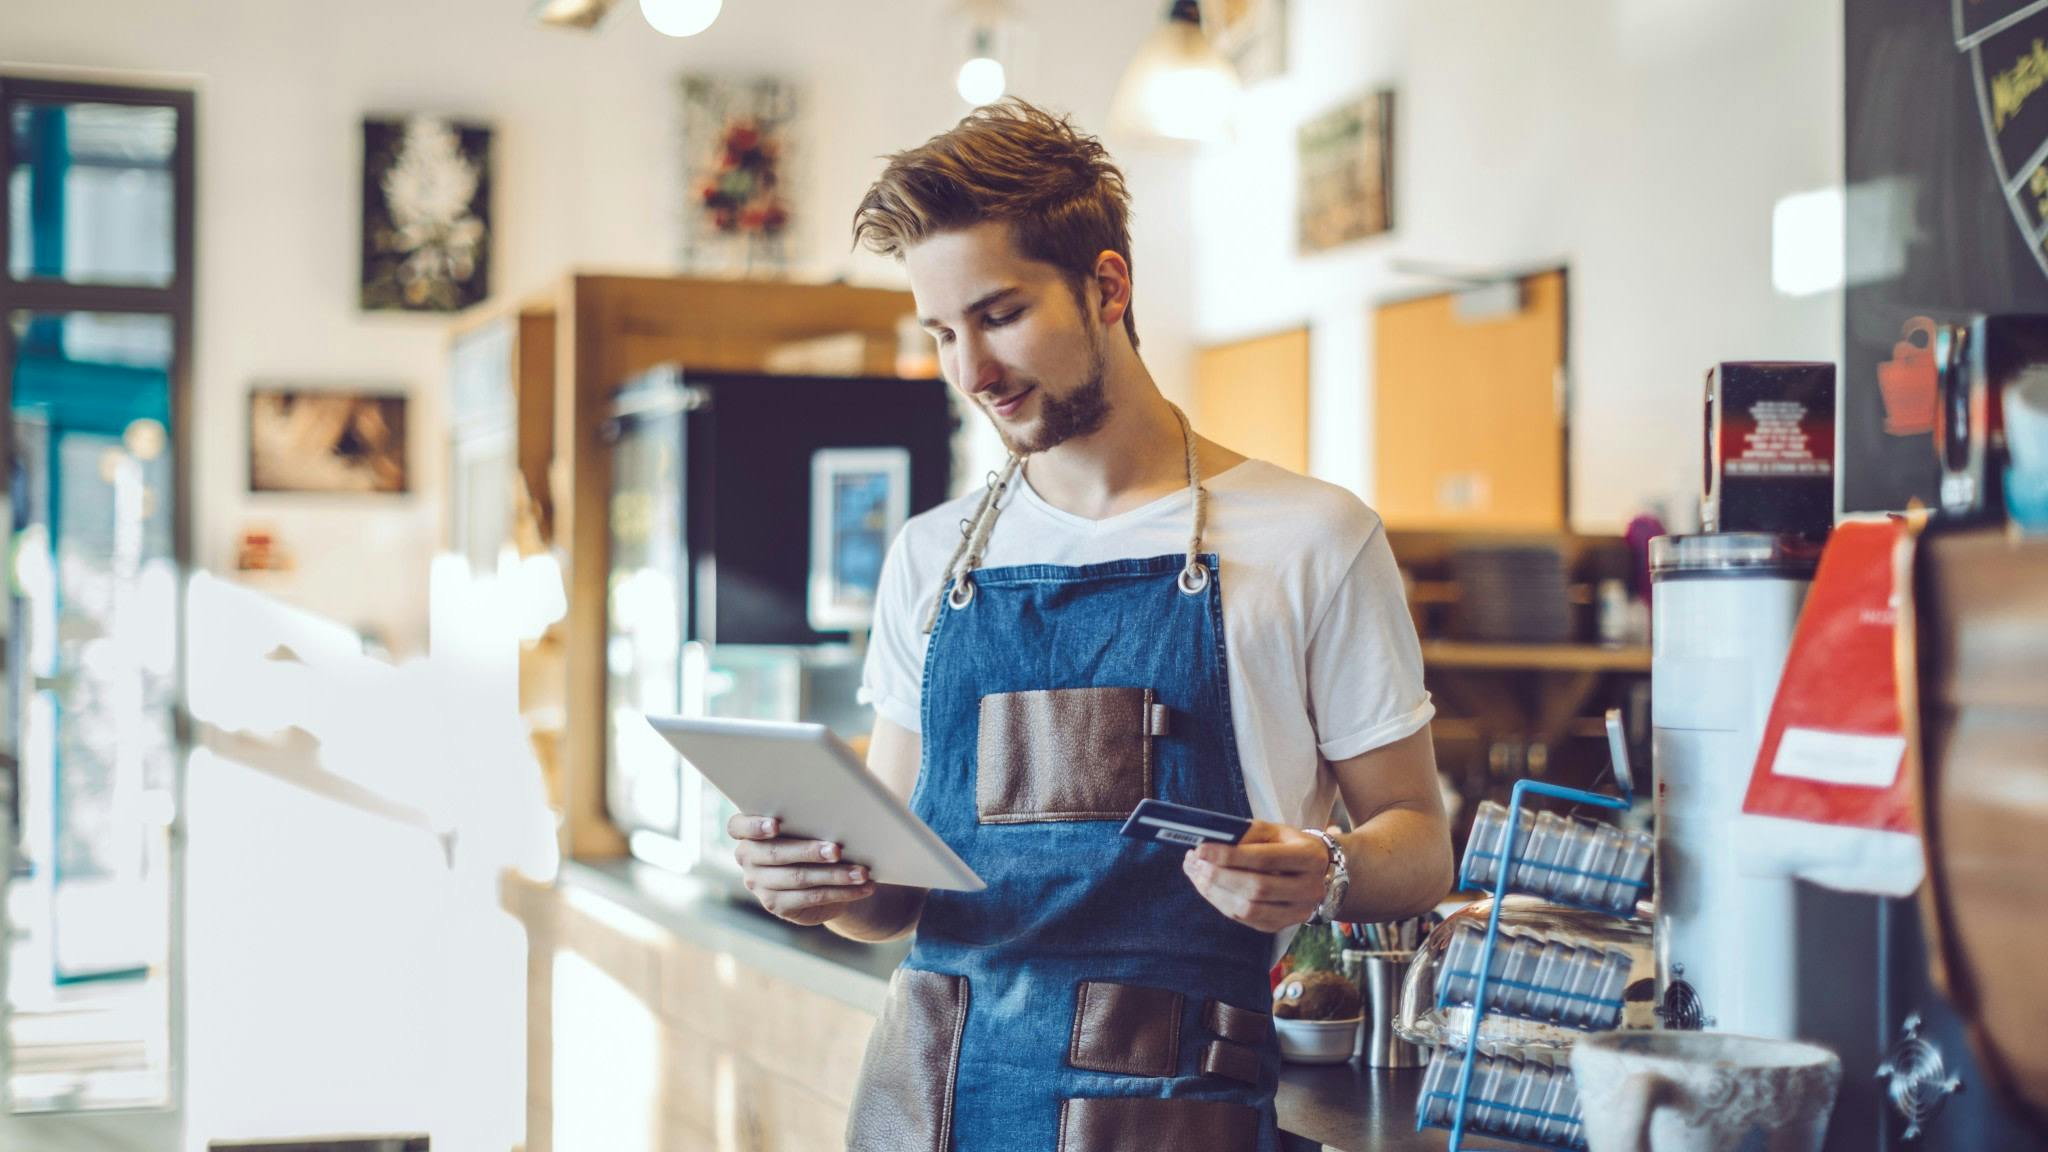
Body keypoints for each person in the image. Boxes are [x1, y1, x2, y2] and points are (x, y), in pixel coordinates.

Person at [729, 98, 1452, 1152]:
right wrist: (815, 888)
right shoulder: (931, 557)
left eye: (999, 314)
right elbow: (887, 902)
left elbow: (1418, 842)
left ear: (1107, 285)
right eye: (941, 333)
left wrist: (1330, 868)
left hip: (1169, 1110)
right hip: (928, 1103)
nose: (970, 372)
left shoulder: (1310, 539)